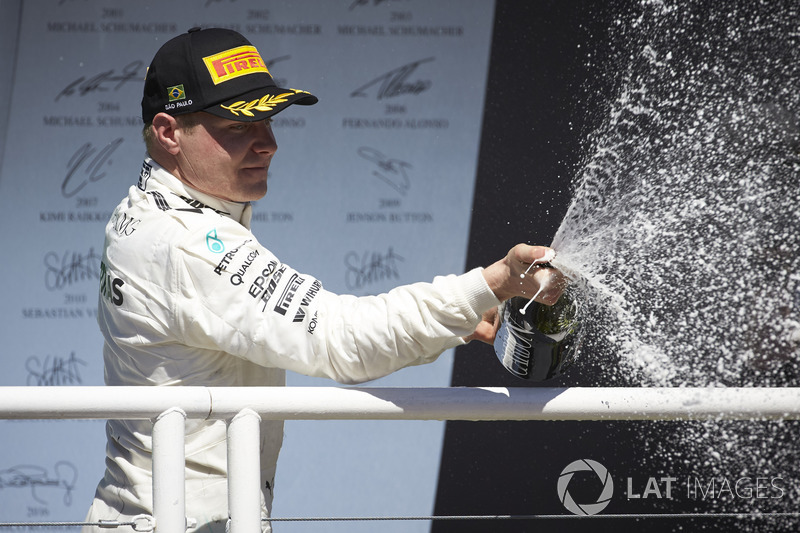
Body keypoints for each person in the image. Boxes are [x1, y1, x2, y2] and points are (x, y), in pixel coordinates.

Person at [83, 27, 565, 533]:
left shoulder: (143, 211)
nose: (267, 143)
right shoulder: (186, 243)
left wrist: (455, 312)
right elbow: (343, 341)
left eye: (268, 120)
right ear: (167, 132)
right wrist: (495, 283)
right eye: (237, 126)